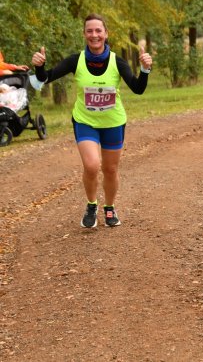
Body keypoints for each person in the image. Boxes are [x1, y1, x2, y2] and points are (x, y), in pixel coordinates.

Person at [31, 13, 152, 228]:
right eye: (89, 31)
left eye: (98, 30)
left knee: (110, 169)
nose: (94, 35)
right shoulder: (75, 60)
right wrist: (39, 66)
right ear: (84, 34)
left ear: (106, 34)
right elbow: (44, 78)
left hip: (113, 122)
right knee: (92, 165)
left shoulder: (117, 61)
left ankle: (110, 207)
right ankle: (91, 204)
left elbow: (138, 88)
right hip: (85, 121)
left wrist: (144, 70)